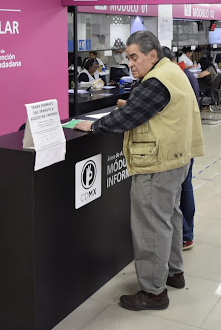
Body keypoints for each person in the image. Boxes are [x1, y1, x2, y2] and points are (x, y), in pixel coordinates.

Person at [73, 31, 204, 311]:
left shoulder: (156, 81)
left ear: (152, 55)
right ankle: (174, 272)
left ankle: (154, 292)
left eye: (134, 57)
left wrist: (93, 126)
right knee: (169, 216)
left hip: (157, 163)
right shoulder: (171, 70)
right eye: (128, 58)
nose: (130, 63)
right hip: (177, 157)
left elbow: (129, 116)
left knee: (150, 227)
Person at [162, 47, 198, 250]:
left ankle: (185, 234)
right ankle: (188, 233)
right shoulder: (187, 75)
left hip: (178, 141)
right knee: (186, 187)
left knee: (178, 191)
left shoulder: (174, 79)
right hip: (188, 137)